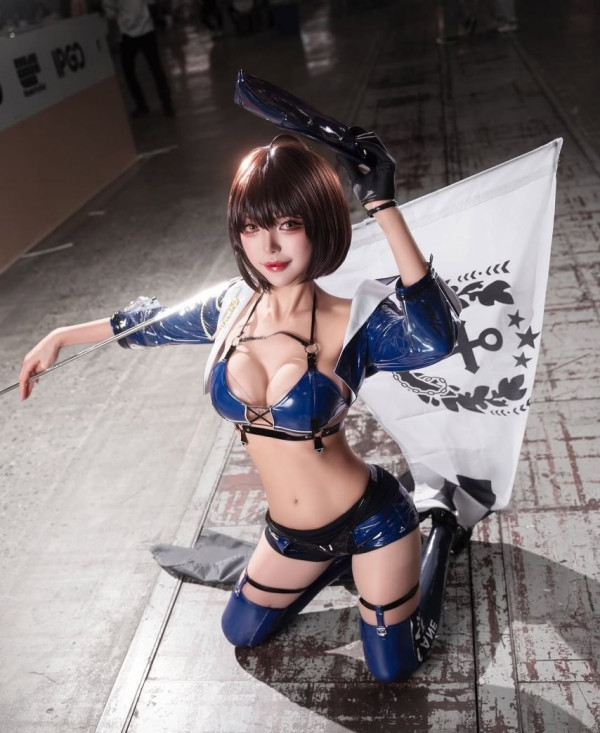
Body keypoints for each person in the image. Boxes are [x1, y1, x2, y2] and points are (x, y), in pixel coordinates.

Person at [19, 131, 461, 682]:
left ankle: (439, 529)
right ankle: (334, 565)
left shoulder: (355, 320)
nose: (269, 247)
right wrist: (60, 336)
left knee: (392, 666)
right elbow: (147, 324)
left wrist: (383, 206)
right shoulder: (231, 307)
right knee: (241, 632)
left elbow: (435, 339)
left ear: (319, 224)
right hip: (289, 533)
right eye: (252, 227)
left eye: (288, 224)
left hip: (371, 520)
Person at [102, 0, 174, 117]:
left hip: (128, 33)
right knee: (156, 68)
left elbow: (111, 14)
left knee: (129, 72)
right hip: (147, 29)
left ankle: (141, 105)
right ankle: (167, 104)